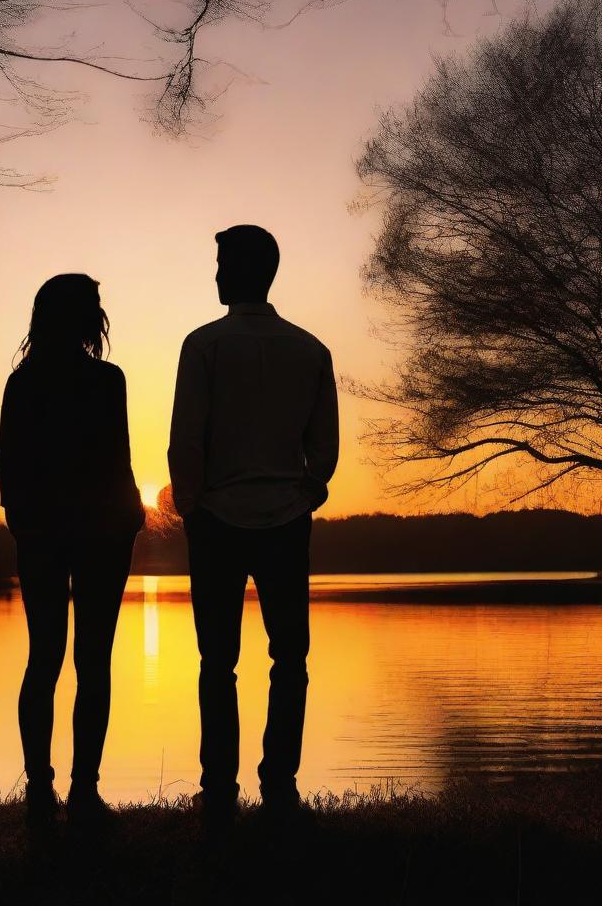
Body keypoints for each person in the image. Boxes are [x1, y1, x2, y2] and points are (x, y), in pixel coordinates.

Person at [168, 225, 339, 827]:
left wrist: (190, 505)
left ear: (244, 271)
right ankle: (279, 783)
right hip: (287, 520)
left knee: (218, 659)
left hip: (216, 518)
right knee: (290, 656)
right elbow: (325, 448)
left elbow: (187, 436)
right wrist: (306, 490)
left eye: (220, 264)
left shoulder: (204, 346)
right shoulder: (310, 350)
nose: (215, 275)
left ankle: (219, 787)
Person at [0, 274, 145, 827]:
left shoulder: (23, 382)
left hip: (45, 536)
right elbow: (119, 458)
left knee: (45, 659)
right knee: (92, 663)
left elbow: (7, 470)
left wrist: (24, 526)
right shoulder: (108, 381)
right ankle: (82, 792)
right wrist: (130, 519)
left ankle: (42, 790)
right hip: (100, 536)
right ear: (88, 318)